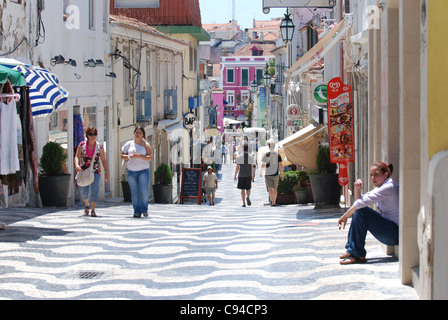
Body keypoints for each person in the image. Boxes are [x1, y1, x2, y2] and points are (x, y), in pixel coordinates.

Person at [337, 161, 399, 265]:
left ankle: (355, 253)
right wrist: (357, 190)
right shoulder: (380, 187)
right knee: (361, 211)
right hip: (389, 230)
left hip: (394, 233)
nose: (373, 178)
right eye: (371, 175)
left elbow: (359, 205)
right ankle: (353, 251)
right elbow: (360, 203)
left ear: (385, 174)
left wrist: (344, 217)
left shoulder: (389, 187)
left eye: (376, 175)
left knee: (362, 211)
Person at [75, 127, 109, 217]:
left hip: (95, 170)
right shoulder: (81, 145)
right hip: (84, 170)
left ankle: (93, 210)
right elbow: (77, 156)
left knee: (95, 190)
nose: (93, 136)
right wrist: (77, 165)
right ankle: (87, 204)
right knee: (84, 191)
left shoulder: (99, 147)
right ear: (87, 135)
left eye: (94, 134)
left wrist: (107, 173)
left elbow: (104, 160)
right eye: (91, 134)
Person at [121, 126, 153, 218]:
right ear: (134, 133)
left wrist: (140, 156)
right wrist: (130, 156)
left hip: (143, 171)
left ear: (143, 135)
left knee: (144, 191)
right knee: (134, 192)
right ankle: (137, 211)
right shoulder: (129, 144)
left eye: (140, 133)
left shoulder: (145, 145)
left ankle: (144, 209)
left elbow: (150, 157)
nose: (137, 134)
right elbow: (122, 156)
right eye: (136, 132)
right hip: (131, 172)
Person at [260, 139, 284, 206]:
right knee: (272, 188)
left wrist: (261, 172)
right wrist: (282, 174)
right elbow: (280, 165)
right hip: (273, 174)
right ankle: (273, 202)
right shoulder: (276, 155)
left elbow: (263, 164)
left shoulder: (268, 155)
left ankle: (273, 201)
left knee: (273, 189)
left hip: (270, 174)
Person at [234, 143, 255, 207]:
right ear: (247, 149)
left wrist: (235, 175)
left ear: (243, 149)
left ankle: (243, 203)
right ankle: (248, 196)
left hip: (241, 175)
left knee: (242, 189)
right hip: (248, 175)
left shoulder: (239, 157)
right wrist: (252, 175)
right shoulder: (250, 157)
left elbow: (237, 167)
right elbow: (252, 167)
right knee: (248, 189)